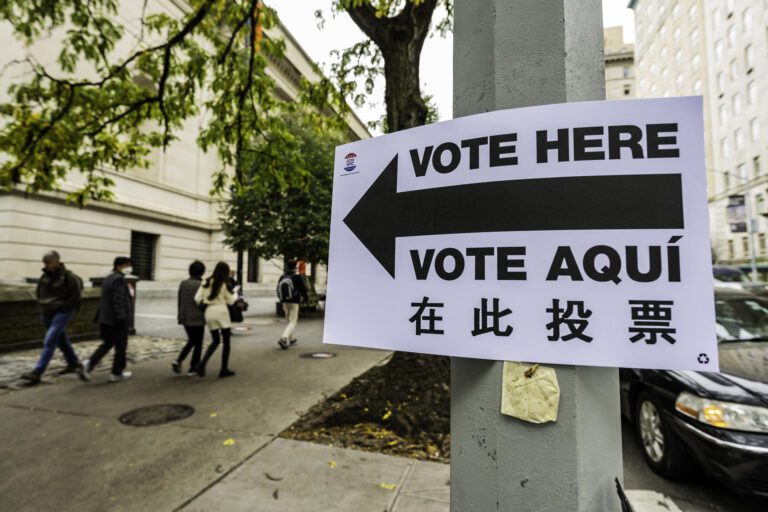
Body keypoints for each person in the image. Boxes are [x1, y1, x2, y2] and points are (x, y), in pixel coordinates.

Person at [20, 251, 83, 384]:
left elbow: (75, 296)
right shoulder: (45, 276)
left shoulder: (69, 277)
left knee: (50, 340)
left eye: (48, 262)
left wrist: (65, 309)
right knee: (61, 339)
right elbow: (40, 292)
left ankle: (37, 372)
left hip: (62, 312)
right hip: (47, 312)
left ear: (56, 261)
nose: (46, 265)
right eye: (44, 262)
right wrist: (42, 308)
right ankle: (74, 363)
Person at [78, 257, 133, 383]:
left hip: (105, 318)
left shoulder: (109, 278)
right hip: (116, 320)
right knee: (121, 346)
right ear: (120, 266)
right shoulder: (119, 279)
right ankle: (116, 372)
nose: (129, 268)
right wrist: (122, 318)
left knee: (107, 343)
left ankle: (88, 365)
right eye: (127, 265)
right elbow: (118, 300)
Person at [195, 261, 236, 378]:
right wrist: (234, 296)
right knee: (226, 342)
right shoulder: (225, 283)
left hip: (209, 312)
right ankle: (224, 369)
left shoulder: (206, 281)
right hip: (222, 312)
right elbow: (231, 301)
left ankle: (202, 364)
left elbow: (197, 298)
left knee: (215, 341)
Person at [173, 260, 206, 376]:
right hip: (198, 318)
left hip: (185, 316)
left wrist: (180, 315)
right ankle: (193, 367)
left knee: (192, 340)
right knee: (198, 343)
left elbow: (180, 300)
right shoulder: (202, 285)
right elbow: (202, 302)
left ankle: (178, 360)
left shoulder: (183, 283)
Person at [276, 260, 309, 350]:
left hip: (284, 302)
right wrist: (306, 300)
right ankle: (284, 338)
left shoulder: (282, 277)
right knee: (293, 321)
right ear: (295, 267)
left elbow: (277, 289)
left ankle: (291, 339)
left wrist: (281, 299)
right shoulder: (296, 277)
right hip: (294, 302)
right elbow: (303, 289)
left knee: (288, 321)